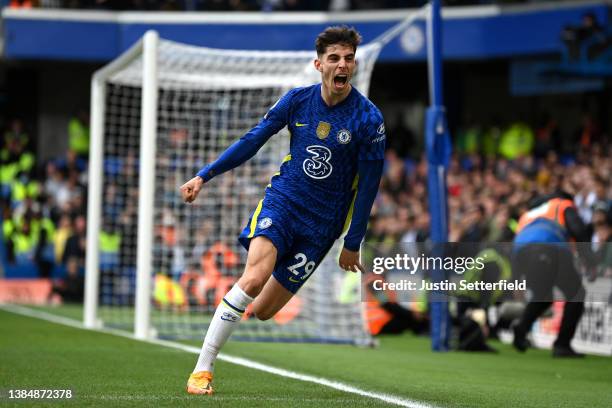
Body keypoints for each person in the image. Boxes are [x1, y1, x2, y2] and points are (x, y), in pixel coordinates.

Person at [180, 26, 386, 395]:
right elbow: (252, 141)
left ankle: (235, 308)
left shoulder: (368, 120)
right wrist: (204, 175)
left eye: (349, 58)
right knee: (254, 277)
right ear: (319, 63)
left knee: (262, 311)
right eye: (335, 58)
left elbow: (369, 185)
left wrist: (353, 241)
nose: (343, 65)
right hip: (284, 202)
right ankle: (202, 369)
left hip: (323, 226)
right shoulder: (297, 101)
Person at [511, 191, 595, 358]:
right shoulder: (562, 204)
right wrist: (590, 261)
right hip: (549, 246)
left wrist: (515, 280)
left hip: (522, 254)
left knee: (543, 295)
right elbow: (578, 229)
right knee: (576, 293)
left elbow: (517, 244)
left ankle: (521, 328)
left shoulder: (527, 215)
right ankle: (562, 345)